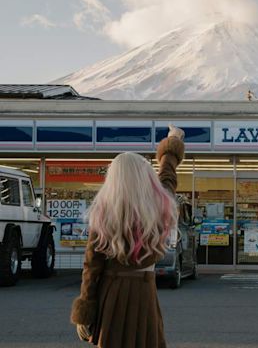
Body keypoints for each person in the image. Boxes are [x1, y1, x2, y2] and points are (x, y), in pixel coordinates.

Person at [70, 125, 185, 348]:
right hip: (145, 293)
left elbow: (92, 268)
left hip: (112, 295)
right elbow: (168, 177)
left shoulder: (105, 213)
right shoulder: (158, 207)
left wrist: (85, 311)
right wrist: (172, 143)